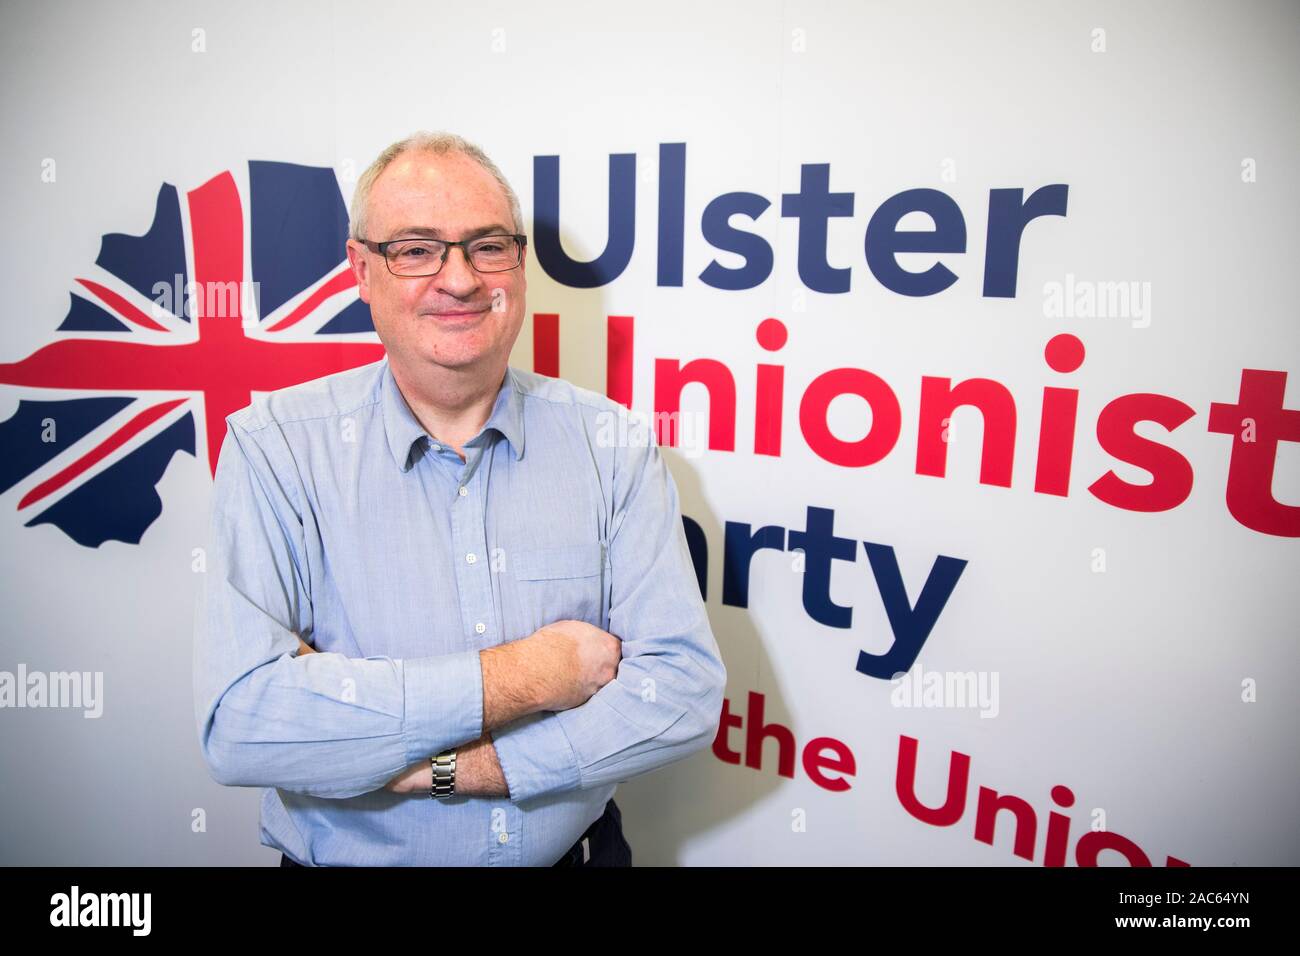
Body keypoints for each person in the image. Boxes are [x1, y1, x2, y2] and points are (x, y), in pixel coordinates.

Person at [192, 131, 727, 866]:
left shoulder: (614, 444)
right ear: (361, 270)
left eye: (487, 246)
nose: (461, 279)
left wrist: (448, 769)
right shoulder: (274, 448)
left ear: (520, 266)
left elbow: (684, 690)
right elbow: (244, 722)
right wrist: (532, 674)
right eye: (416, 249)